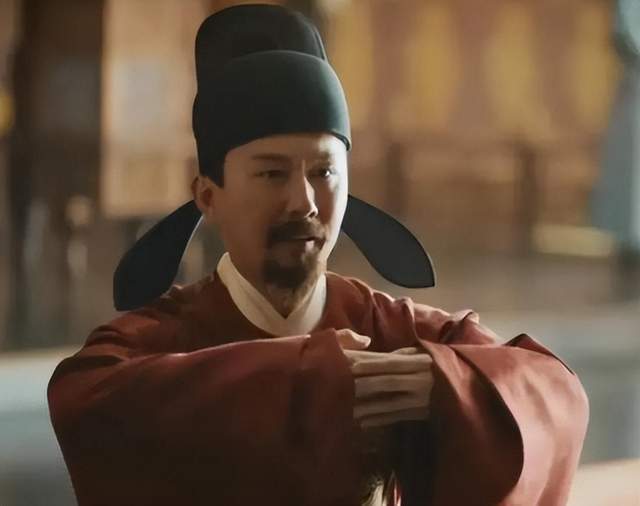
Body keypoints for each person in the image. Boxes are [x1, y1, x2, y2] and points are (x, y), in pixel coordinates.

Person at [47, 5, 588, 506]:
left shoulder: (389, 332)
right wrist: (312, 380)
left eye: (324, 171)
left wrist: (451, 386)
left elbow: (553, 392)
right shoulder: (157, 341)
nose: (303, 201)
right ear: (209, 196)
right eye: (271, 173)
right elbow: (83, 397)